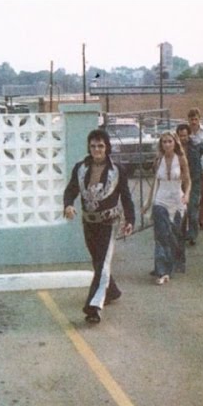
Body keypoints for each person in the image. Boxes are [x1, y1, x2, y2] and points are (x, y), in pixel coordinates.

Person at [63, 129, 135, 324]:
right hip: (89, 222)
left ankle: (93, 307)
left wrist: (130, 220)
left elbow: (126, 197)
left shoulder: (117, 170)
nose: (97, 149)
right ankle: (111, 290)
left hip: (109, 223)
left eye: (101, 146)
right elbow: (70, 190)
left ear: (107, 147)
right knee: (98, 261)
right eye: (93, 146)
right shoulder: (80, 168)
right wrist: (68, 205)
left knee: (103, 263)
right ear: (89, 147)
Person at [142, 131, 191, 285]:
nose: (167, 144)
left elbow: (188, 181)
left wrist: (187, 195)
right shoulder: (158, 160)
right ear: (161, 144)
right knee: (161, 235)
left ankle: (176, 262)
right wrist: (148, 202)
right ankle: (162, 270)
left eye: (170, 141)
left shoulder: (181, 159)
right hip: (161, 199)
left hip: (177, 199)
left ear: (175, 143)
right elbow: (155, 183)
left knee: (175, 234)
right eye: (164, 142)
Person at [176, 123, 203, 246]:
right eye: (180, 136)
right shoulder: (174, 147)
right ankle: (180, 233)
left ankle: (192, 234)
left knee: (192, 209)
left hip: (194, 180)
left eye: (185, 136)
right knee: (180, 209)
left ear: (189, 135)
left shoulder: (197, 145)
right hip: (178, 182)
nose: (183, 138)